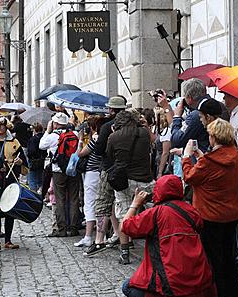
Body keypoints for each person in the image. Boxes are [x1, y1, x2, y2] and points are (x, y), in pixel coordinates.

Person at [120, 175, 217, 297]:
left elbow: (125, 226)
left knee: (127, 287)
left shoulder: (155, 213)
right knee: (181, 279)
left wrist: (135, 203)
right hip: (194, 278)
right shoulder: (191, 211)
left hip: (169, 279)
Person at [182, 119, 238, 297]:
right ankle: (233, 290)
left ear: (214, 137)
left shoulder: (208, 162)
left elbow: (190, 177)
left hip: (209, 214)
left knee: (212, 258)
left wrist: (186, 157)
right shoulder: (236, 155)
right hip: (232, 212)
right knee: (227, 253)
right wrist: (202, 158)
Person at [108, 110, 154, 265]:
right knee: (152, 213)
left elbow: (109, 156)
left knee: (123, 216)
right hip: (145, 180)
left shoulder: (114, 137)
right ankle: (156, 247)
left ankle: (125, 252)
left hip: (124, 181)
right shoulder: (144, 133)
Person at [0, 115, 27, 251]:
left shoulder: (14, 142)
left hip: (9, 179)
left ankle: (7, 240)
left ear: (6, 126)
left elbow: (24, 162)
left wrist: (20, 163)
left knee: (9, 209)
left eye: (2, 125)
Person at [39, 112, 79, 237]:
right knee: (73, 199)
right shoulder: (75, 134)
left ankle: (62, 229)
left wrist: (47, 131)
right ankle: (73, 227)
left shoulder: (51, 137)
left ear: (55, 124)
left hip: (58, 171)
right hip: (73, 170)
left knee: (60, 199)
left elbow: (41, 146)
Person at [74, 115, 105, 252]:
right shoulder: (104, 138)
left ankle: (88, 236)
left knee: (90, 203)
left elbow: (80, 154)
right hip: (101, 172)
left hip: (92, 173)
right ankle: (101, 236)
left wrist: (81, 140)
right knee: (102, 204)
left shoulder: (96, 139)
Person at [170, 78, 213, 152]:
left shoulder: (196, 115)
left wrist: (177, 117)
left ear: (189, 98)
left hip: (203, 159)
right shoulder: (219, 105)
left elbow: (177, 140)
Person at [27, 123, 46, 194]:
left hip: (34, 160)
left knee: (32, 178)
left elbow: (31, 151)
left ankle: (33, 193)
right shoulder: (44, 137)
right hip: (43, 160)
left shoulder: (33, 139)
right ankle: (41, 191)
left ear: (34, 129)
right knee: (40, 177)